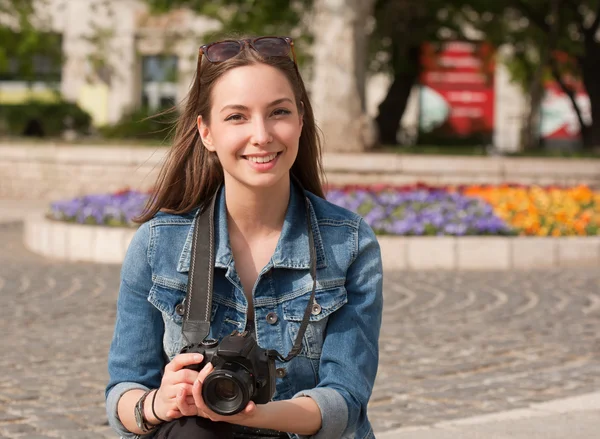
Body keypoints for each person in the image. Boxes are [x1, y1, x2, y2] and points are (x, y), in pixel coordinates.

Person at [105, 35, 383, 439]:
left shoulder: (349, 244)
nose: (262, 134)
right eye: (237, 116)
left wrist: (252, 414)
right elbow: (123, 392)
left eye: (279, 112)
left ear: (301, 120)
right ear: (206, 132)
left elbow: (345, 400)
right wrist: (157, 403)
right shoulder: (156, 245)